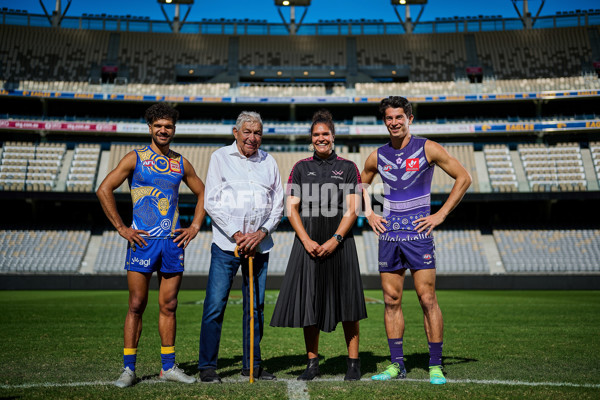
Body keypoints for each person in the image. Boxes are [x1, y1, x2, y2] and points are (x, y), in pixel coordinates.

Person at [361, 96, 471, 385]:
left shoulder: (428, 148)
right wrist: (369, 213)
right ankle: (397, 364)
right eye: (389, 118)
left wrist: (441, 214)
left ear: (409, 118)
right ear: (384, 121)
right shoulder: (377, 155)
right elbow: (360, 184)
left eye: (399, 117)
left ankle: (435, 364)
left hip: (419, 234)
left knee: (427, 298)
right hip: (389, 235)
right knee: (391, 300)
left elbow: (464, 177)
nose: (394, 122)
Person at [97, 102, 206, 388]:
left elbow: (203, 191)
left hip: (171, 243)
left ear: (174, 129)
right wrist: (122, 227)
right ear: (150, 128)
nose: (163, 130)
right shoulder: (135, 158)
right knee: (136, 304)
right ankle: (128, 369)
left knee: (169, 305)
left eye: (168, 126)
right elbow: (104, 189)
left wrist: (195, 226)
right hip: (142, 242)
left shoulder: (181, 162)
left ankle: (168, 367)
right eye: (158, 126)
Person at [270, 110, 367, 381]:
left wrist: (335, 239)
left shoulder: (349, 168)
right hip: (308, 243)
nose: (321, 138)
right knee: (309, 303)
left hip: (341, 242)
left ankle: (353, 363)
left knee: (347, 303)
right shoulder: (300, 168)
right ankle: (312, 364)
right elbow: (291, 210)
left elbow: (352, 209)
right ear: (311, 139)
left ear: (333, 137)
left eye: (325, 134)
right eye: (316, 135)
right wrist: (306, 240)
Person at [198, 111, 284, 383]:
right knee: (214, 306)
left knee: (255, 308)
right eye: (247, 132)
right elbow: (211, 201)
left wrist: (259, 234)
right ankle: (207, 367)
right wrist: (237, 235)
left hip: (259, 247)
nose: (252, 137)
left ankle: (252, 366)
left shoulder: (269, 161)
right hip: (227, 246)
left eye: (257, 132)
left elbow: (278, 205)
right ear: (236, 133)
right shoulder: (219, 158)